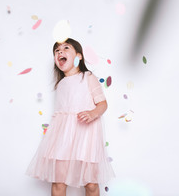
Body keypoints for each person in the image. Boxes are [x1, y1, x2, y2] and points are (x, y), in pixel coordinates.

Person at [26, 38, 115, 196]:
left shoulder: (87, 77)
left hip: (87, 137)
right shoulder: (61, 84)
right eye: (57, 51)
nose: (60, 52)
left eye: (65, 48)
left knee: (91, 184)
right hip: (63, 138)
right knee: (58, 181)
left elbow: (102, 104)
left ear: (79, 56)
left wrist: (92, 113)